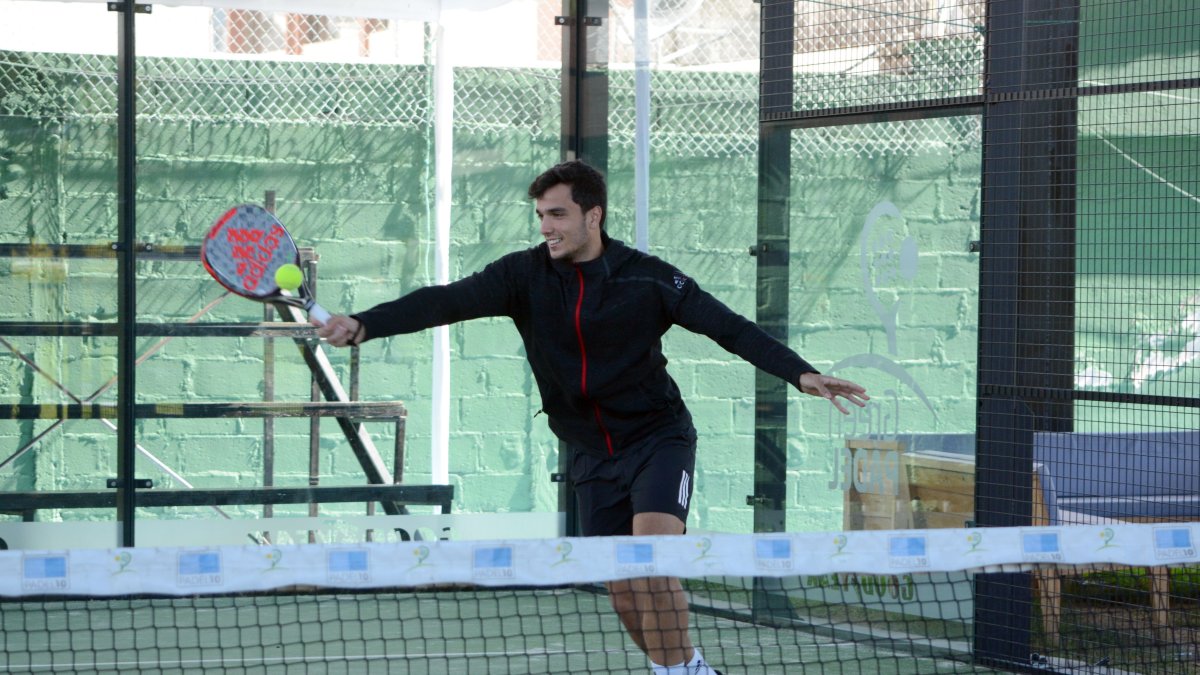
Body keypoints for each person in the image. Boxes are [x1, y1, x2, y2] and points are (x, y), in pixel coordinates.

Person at [316, 160, 869, 675]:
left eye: (557, 214)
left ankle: (686, 674)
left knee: (650, 557)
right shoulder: (521, 276)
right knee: (623, 585)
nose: (545, 227)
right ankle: (674, 666)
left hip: (658, 438)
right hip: (589, 451)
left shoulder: (647, 278)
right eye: (540, 216)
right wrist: (366, 324)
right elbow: (441, 301)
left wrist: (800, 373)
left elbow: (729, 327)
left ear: (593, 215)